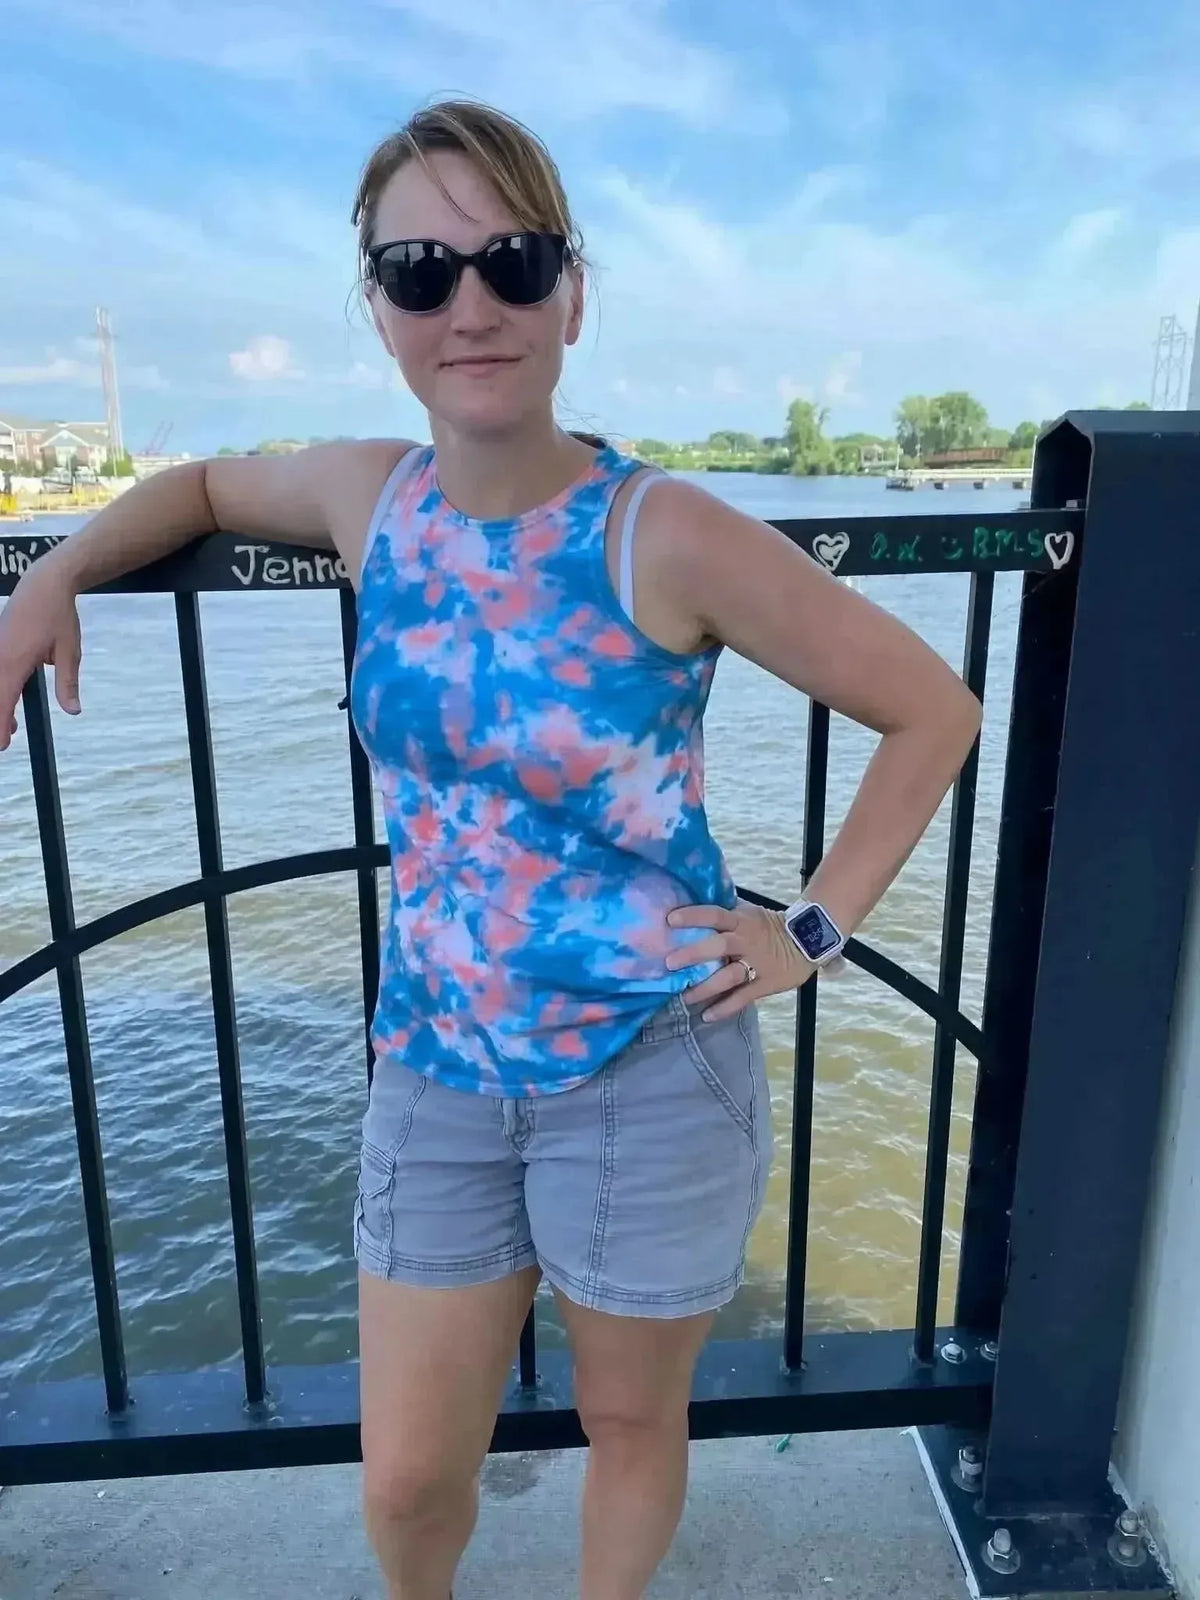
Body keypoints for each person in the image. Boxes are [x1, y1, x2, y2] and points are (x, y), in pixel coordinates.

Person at [0, 99, 982, 1600]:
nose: (472, 304)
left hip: (652, 1068)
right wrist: (53, 569)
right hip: (436, 1068)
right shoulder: (368, 498)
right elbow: (197, 489)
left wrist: (813, 929)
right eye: (421, 271)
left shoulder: (671, 532)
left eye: (513, 263)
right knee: (406, 1476)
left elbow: (931, 711)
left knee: (631, 1416)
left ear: (571, 295)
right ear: (382, 310)